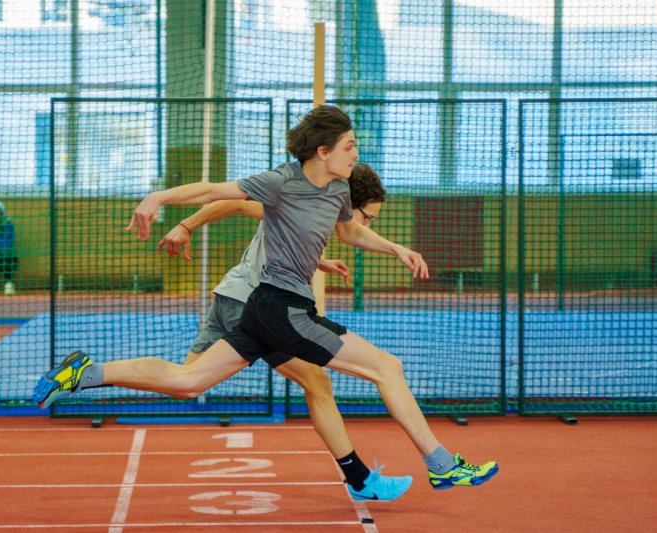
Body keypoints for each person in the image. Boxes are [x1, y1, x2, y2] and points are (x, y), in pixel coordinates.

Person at [34, 105, 498, 492]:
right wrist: (160, 197)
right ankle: (441, 465)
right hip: (282, 310)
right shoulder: (281, 182)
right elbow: (216, 190)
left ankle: (84, 372)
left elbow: (349, 231)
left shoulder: (339, 188)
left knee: (188, 382)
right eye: (350, 145)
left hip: (263, 309)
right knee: (387, 367)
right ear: (323, 151)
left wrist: (395, 248)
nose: (356, 154)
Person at [154, 163, 404, 501]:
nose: (367, 225)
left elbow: (278, 241)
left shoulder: (311, 217)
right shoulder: (299, 201)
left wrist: (320, 263)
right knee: (317, 382)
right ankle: (360, 480)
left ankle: (93, 374)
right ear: (347, 203)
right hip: (253, 304)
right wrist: (186, 225)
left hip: (230, 295)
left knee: (183, 382)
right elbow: (234, 202)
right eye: (367, 217)